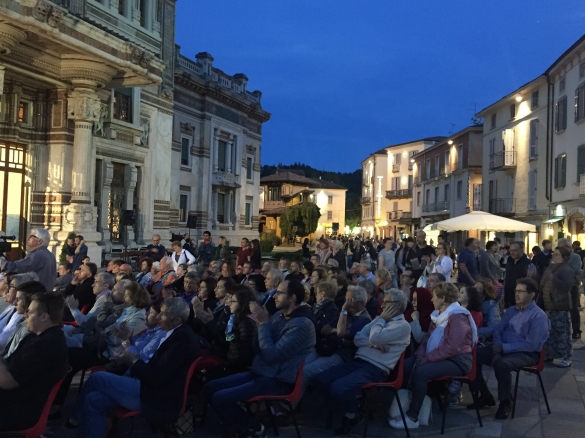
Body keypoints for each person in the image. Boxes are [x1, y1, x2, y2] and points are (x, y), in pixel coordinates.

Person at [67, 297, 201, 437]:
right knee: (93, 400)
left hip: (153, 395)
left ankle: (74, 420)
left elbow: (156, 377)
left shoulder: (181, 342)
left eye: (163, 314)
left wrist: (133, 360)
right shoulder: (176, 333)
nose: (159, 317)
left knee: (96, 377)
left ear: (177, 320)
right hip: (145, 384)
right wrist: (128, 346)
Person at [203, 280, 315, 437]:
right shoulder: (279, 316)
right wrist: (259, 325)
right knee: (210, 387)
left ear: (292, 298)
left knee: (220, 398)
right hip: (262, 371)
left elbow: (271, 355)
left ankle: (252, 429)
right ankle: (239, 423)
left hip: (278, 380)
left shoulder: (302, 325)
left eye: (280, 293)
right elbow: (259, 349)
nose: (274, 296)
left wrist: (262, 323)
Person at [316, 288, 411, 435]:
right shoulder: (379, 321)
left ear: (398, 306)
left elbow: (374, 337)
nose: (383, 306)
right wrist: (373, 343)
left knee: (338, 388)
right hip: (358, 362)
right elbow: (358, 338)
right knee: (319, 380)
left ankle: (351, 413)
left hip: (376, 369)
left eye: (387, 303)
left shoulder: (402, 326)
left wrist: (380, 323)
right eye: (383, 302)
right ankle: (354, 409)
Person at [391, 282, 477, 430]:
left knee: (421, 372)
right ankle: (407, 405)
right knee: (406, 365)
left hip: (457, 360)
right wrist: (420, 355)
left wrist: (428, 359)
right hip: (438, 356)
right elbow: (427, 339)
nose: (432, 300)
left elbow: (452, 347)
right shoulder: (437, 315)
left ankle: (413, 417)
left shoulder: (458, 317)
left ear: (443, 298)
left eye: (435, 297)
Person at [468, 278, 550, 419]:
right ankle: (485, 394)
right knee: (472, 356)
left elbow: (532, 344)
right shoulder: (511, 310)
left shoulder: (538, 316)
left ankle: (505, 402)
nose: (516, 294)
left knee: (502, 364)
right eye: (515, 291)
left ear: (531, 295)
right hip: (502, 347)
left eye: (520, 291)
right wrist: (497, 346)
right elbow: (499, 330)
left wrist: (503, 348)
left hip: (526, 353)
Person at [0, 292, 69, 432]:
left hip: (16, 411)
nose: (24, 316)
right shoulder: (37, 337)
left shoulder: (45, 345)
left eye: (29, 313)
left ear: (44, 317)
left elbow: (7, 382)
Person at [203, 286, 257, 381]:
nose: (228, 303)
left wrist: (227, 365)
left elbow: (246, 354)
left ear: (242, 304)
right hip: (230, 360)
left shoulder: (246, 323)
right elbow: (227, 342)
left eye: (233, 301)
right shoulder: (233, 319)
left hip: (239, 367)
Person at [540, 246, 574, 367]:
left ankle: (566, 356)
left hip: (560, 305)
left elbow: (567, 286)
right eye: (554, 253)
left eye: (557, 254)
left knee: (562, 333)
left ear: (563, 258)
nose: (554, 255)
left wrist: (552, 278)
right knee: (550, 332)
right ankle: (550, 354)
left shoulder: (566, 269)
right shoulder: (551, 267)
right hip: (549, 305)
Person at [0, 228, 56, 293]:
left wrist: (1, 260)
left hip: (36, 295)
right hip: (44, 295)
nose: (28, 239)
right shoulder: (50, 255)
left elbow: (14, 267)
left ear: (39, 241)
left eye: (31, 236)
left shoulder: (37, 255)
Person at [0, 281, 45, 351]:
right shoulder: (21, 323)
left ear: (30, 301)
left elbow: (2, 342)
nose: (15, 303)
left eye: (18, 299)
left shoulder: (30, 329)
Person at [558, 238, 582, 339]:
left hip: (572, 285)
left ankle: (576, 329)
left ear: (568, 247)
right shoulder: (558, 256)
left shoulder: (575, 257)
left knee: (573, 308)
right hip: (560, 285)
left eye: (561, 247)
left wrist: (562, 268)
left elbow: (575, 270)